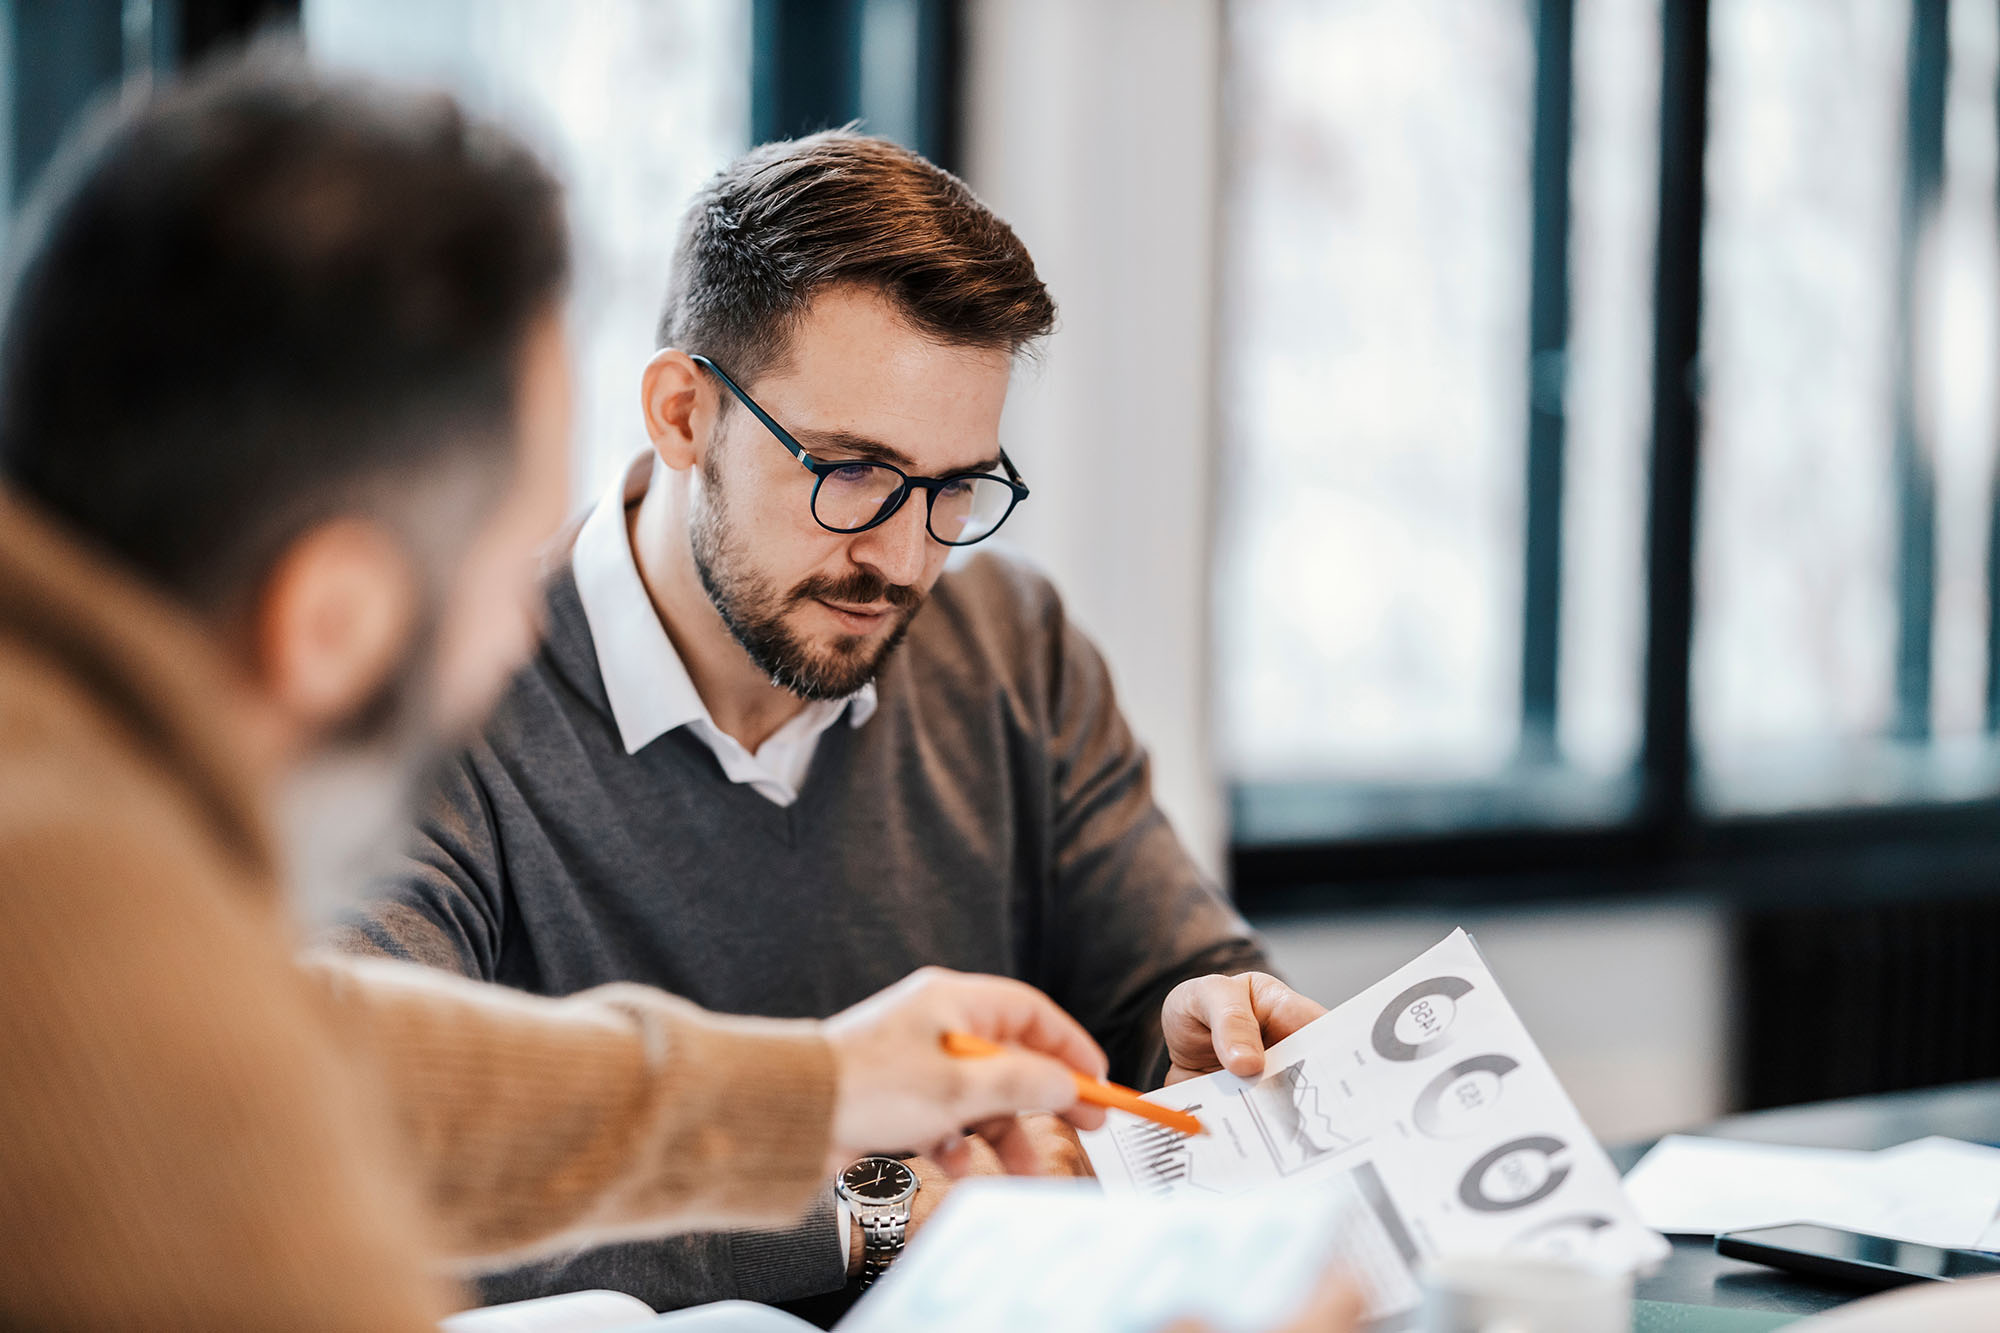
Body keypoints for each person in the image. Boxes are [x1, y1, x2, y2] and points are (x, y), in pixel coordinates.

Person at [0, 54, 1116, 1330]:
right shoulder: (73, 924)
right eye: (507, 562)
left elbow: (341, 1061)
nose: (521, 636)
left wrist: (816, 1089)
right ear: (330, 620)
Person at [335, 128, 1334, 1312]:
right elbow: (358, 1156)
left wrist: (1203, 1047)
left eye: (956, 485)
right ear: (680, 413)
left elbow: (1169, 994)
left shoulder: (1009, 642)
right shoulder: (444, 693)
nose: (906, 558)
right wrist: (865, 1213)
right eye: (852, 470)